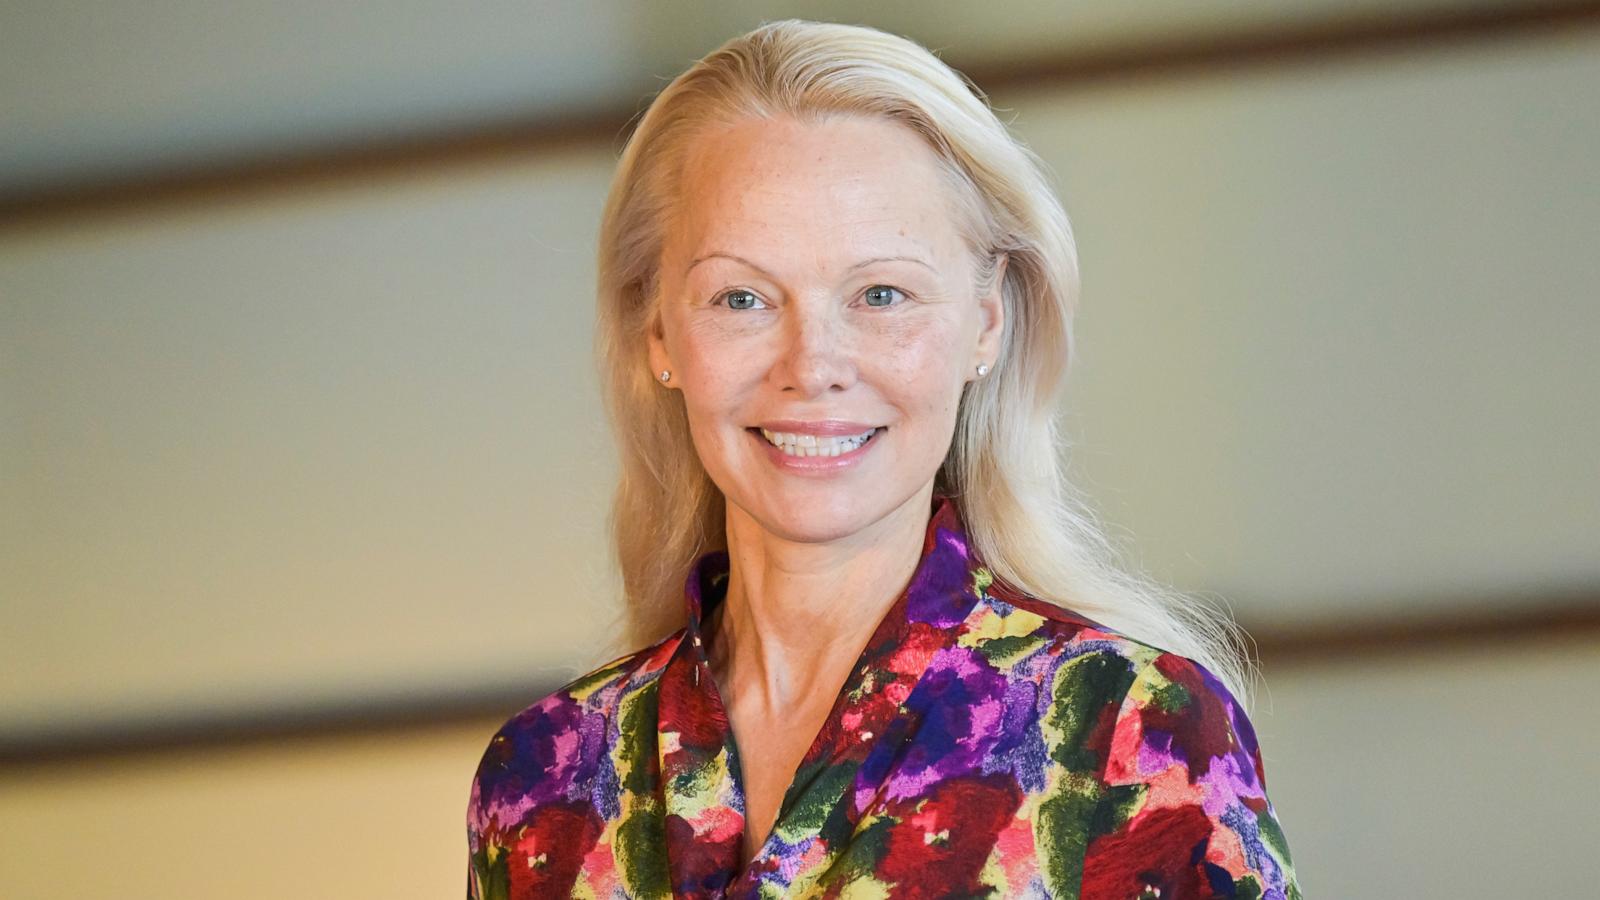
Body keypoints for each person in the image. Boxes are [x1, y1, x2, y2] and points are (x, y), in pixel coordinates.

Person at [466, 18, 1299, 899]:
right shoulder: (542, 778)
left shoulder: (1131, 731)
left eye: (881, 294)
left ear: (985, 323)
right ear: (659, 333)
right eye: (742, 297)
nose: (812, 368)